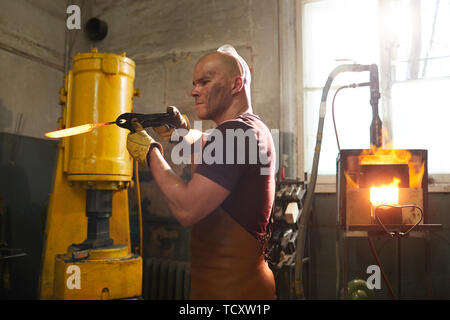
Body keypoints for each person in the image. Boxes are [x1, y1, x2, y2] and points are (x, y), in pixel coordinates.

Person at [126, 45, 276, 300]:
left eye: (204, 82)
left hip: (233, 294)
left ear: (236, 84)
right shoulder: (249, 129)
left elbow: (187, 208)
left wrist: (151, 152)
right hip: (234, 290)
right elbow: (207, 145)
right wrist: (181, 134)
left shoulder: (235, 134)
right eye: (195, 83)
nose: (194, 91)